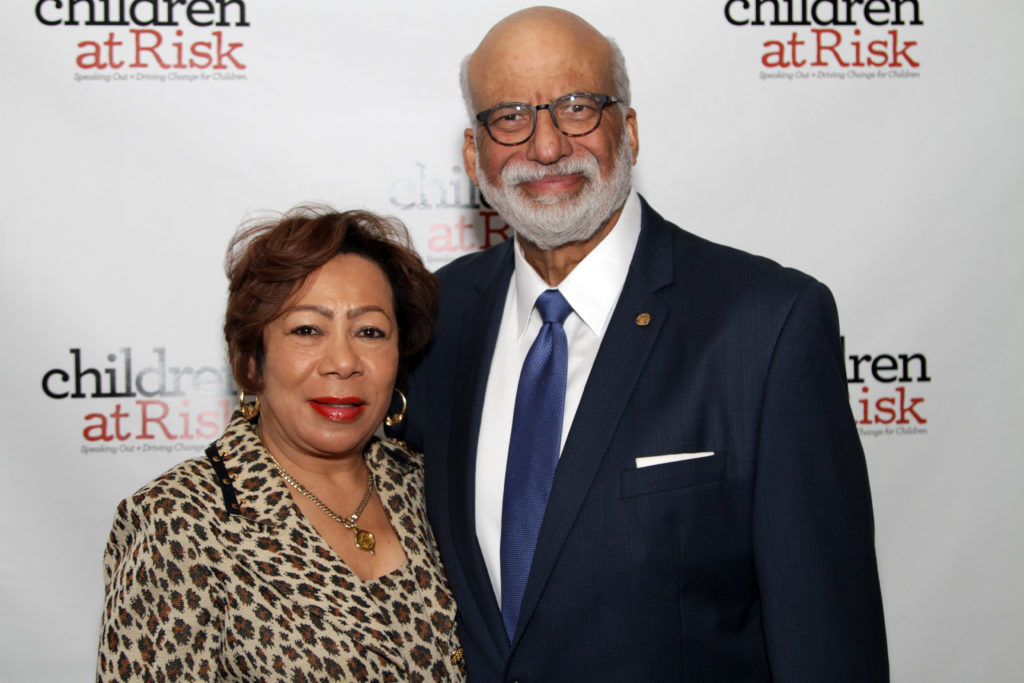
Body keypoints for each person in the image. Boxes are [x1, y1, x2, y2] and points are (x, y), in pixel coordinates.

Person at [388, 7, 888, 681]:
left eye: (576, 107)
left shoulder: (766, 327)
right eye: (510, 116)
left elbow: (826, 642)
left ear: (628, 128)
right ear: (474, 154)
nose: (545, 146)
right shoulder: (430, 322)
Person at [97, 207, 466, 681]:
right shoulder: (179, 519)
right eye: (307, 330)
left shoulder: (426, 484)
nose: (343, 362)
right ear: (252, 359)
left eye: (370, 332)